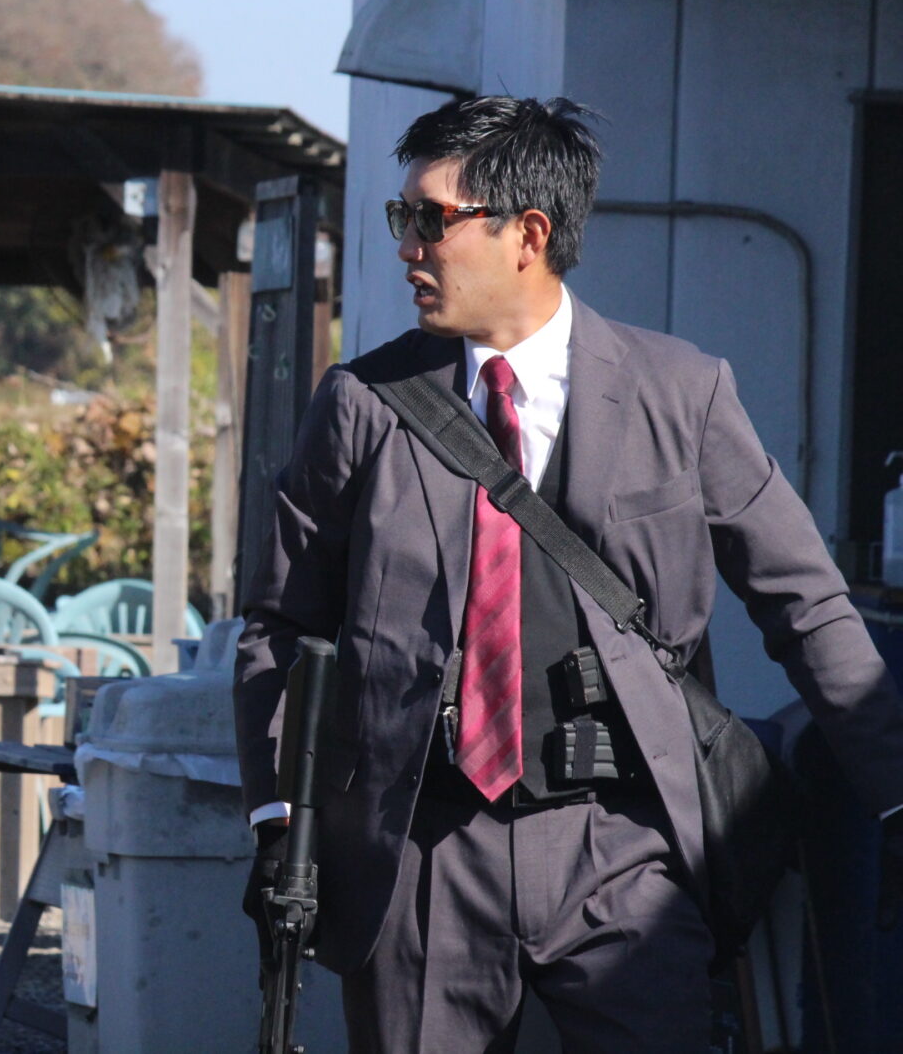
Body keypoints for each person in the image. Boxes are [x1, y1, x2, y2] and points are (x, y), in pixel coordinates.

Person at [234, 96, 903, 1051]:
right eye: (401, 217)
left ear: (529, 234)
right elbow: (279, 626)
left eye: (431, 219)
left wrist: (894, 788)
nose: (408, 246)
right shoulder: (364, 405)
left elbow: (806, 604)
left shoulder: (680, 393)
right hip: (422, 854)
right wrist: (277, 818)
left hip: (625, 848)